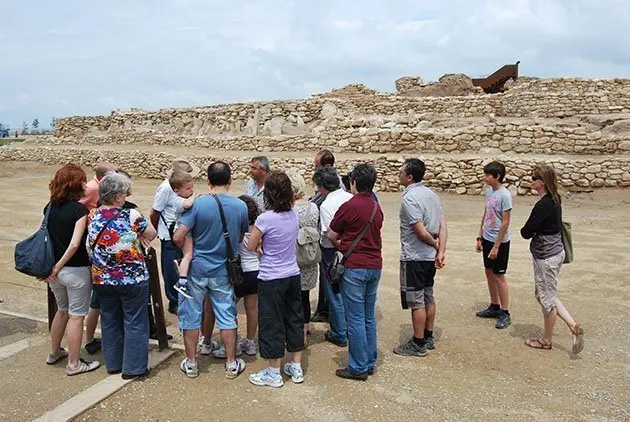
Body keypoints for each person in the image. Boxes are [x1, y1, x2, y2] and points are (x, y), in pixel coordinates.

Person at [173, 162, 247, 379]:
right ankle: (231, 363)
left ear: (208, 180)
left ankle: (192, 362)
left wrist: (188, 250)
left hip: (197, 268)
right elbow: (240, 237)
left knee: (191, 315)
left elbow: (178, 236)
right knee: (226, 315)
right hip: (223, 269)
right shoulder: (240, 206)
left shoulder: (199, 204)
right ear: (230, 180)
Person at [87, 172, 157, 379]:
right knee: (135, 320)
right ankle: (134, 367)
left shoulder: (92, 216)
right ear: (118, 197)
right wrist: (136, 237)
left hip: (102, 277)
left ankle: (114, 363)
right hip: (131, 277)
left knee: (109, 319)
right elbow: (151, 233)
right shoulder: (131, 215)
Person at [42, 164, 100, 376]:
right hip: (74, 270)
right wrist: (60, 265)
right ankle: (74, 364)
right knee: (76, 317)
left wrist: (53, 267)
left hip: (53, 272)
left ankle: (54, 351)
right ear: (76, 184)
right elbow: (75, 244)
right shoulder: (80, 211)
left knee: (62, 310)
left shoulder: (49, 207)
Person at [327, 163, 384, 380]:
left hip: (354, 266)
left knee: (356, 318)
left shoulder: (350, 206)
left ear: (354, 182)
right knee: (368, 316)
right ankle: (369, 360)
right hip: (374, 265)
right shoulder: (376, 207)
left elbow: (332, 233)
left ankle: (358, 366)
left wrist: (343, 244)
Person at [247, 172, 304, 388]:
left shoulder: (265, 219)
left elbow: (251, 246)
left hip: (271, 276)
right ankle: (296, 366)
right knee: (294, 318)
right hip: (292, 273)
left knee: (271, 322)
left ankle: (273, 371)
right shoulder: (293, 215)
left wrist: (261, 246)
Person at [521, 165, 584, 353]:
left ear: (542, 182)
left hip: (546, 256)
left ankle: (546, 340)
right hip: (555, 252)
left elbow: (526, 232)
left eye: (534, 178)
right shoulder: (556, 199)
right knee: (545, 294)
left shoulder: (543, 205)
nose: (531, 181)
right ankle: (573, 326)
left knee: (546, 299)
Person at [393, 159, 448, 358]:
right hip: (428, 257)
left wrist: (435, 245)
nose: (398, 175)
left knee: (416, 301)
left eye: (401, 172)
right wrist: (440, 250)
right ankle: (428, 335)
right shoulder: (432, 195)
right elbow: (442, 224)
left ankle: (418, 342)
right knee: (428, 295)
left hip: (414, 256)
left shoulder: (410, 198)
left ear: (409, 177)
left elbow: (420, 231)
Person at [212, 195, 261, 358]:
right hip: (255, 270)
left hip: (239, 271)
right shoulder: (258, 227)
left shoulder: (235, 227)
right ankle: (251, 342)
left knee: (229, 307)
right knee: (252, 308)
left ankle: (233, 341)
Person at [150, 157, 200, 314]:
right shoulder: (166, 188)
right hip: (170, 233)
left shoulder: (180, 188)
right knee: (171, 268)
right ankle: (174, 300)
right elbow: (155, 212)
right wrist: (159, 229)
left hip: (181, 231)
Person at [315, 166, 353, 347]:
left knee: (334, 291)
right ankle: (349, 326)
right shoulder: (350, 198)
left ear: (322, 187)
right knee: (348, 289)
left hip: (332, 251)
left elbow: (328, 234)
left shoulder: (326, 205)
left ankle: (339, 332)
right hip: (353, 249)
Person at [475, 161, 512, 329]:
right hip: (488, 238)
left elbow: (505, 223)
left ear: (497, 176)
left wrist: (497, 246)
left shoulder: (505, 195)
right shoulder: (489, 192)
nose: (485, 178)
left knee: (499, 276)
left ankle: (505, 312)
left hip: (500, 241)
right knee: (489, 273)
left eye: (488, 175)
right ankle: (494, 305)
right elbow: (486, 213)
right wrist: (480, 237)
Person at [286, 168, 320, 343]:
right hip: (309, 256)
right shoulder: (313, 207)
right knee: (305, 295)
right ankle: (306, 325)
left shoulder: (288, 210)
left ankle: (296, 331)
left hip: (292, 257)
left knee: (293, 298)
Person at [162, 170, 196, 299]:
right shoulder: (177, 201)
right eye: (188, 188)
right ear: (176, 190)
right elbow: (187, 205)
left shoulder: (183, 197)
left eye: (192, 187)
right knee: (188, 255)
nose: (191, 190)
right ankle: (182, 281)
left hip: (187, 230)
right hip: (184, 232)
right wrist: (194, 197)